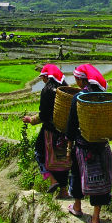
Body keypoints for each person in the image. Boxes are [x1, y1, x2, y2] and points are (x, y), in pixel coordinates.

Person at [65, 63, 112, 223]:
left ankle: (77, 207)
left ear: (81, 80)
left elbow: (71, 124)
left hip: (83, 145)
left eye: (77, 78)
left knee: (77, 174)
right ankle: (96, 218)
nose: (76, 81)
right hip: (101, 144)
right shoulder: (104, 97)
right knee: (100, 176)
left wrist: (69, 144)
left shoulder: (79, 98)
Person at [22, 64, 70, 197]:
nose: (42, 79)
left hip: (50, 130)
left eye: (43, 76)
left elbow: (43, 115)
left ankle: (51, 179)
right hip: (64, 132)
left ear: (47, 77)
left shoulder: (47, 91)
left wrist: (31, 120)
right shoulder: (65, 89)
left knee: (39, 152)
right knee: (62, 159)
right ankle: (64, 191)